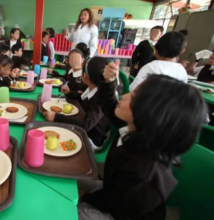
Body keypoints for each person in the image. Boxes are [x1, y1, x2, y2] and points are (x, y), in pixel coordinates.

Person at [78, 60, 207, 220]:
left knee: (71, 210)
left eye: (133, 97)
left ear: (151, 114)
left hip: (119, 214)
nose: (124, 96)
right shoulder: (136, 129)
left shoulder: (145, 172)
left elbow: (114, 204)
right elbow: (111, 107)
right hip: (113, 191)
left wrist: (84, 198)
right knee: (73, 181)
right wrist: (109, 82)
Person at [43, 57, 109, 150]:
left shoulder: (101, 98)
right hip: (82, 125)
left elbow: (86, 124)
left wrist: (56, 117)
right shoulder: (92, 88)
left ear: (85, 75)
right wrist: (69, 93)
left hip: (90, 138)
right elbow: (82, 99)